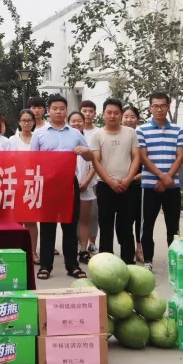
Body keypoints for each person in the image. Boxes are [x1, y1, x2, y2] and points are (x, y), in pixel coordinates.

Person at [29, 94, 93, 280]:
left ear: (66, 111)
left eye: (62, 109)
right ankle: (45, 266)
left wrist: (85, 151)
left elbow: (90, 157)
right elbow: (32, 161)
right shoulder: (39, 133)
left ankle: (72, 266)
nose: (58, 112)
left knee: (70, 226)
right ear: (48, 111)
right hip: (48, 184)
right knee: (47, 227)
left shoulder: (75, 133)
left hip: (69, 184)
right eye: (55, 109)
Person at [137, 92, 183, 272]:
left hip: (172, 186)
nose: (159, 109)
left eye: (163, 106)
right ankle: (148, 259)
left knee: (173, 225)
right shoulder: (141, 130)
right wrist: (162, 176)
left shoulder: (178, 130)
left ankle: (175, 260)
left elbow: (180, 156)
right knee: (147, 224)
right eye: (155, 106)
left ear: (168, 107)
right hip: (149, 186)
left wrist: (167, 178)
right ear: (150, 108)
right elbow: (143, 158)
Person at [90, 98, 141, 264]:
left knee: (126, 226)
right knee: (106, 226)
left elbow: (136, 157)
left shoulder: (130, 133)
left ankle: (128, 262)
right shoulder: (97, 135)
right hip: (105, 186)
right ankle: (107, 264)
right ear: (103, 114)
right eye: (109, 112)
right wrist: (110, 182)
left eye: (116, 113)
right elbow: (96, 161)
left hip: (128, 186)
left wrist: (128, 179)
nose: (112, 116)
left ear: (120, 114)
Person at [68, 111, 98, 266]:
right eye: (73, 121)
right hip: (67, 186)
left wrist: (86, 181)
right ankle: (71, 249)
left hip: (85, 185)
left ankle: (83, 250)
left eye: (79, 121)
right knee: (70, 221)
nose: (76, 123)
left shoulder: (89, 140)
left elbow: (95, 163)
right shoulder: (65, 140)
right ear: (68, 123)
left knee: (84, 220)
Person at [13, 110, 39, 263]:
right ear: (19, 122)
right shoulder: (12, 140)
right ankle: (17, 251)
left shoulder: (38, 138)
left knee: (31, 221)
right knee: (17, 221)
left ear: (34, 122)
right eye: (24, 120)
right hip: (16, 184)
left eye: (29, 120)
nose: (27, 123)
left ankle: (32, 252)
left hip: (33, 183)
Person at [122, 105, 144, 262]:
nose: (129, 120)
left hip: (140, 182)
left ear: (138, 119)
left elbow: (147, 159)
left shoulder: (142, 136)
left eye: (132, 117)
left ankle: (139, 248)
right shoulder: (118, 135)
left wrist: (141, 175)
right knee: (124, 219)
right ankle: (126, 249)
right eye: (126, 116)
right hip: (121, 182)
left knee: (139, 217)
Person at [79, 99, 99, 256]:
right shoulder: (74, 131)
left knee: (93, 214)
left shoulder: (98, 132)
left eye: (90, 111)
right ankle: (80, 243)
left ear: (95, 114)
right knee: (77, 215)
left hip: (95, 179)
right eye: (84, 111)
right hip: (76, 179)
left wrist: (86, 180)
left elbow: (96, 160)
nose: (87, 114)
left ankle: (91, 242)